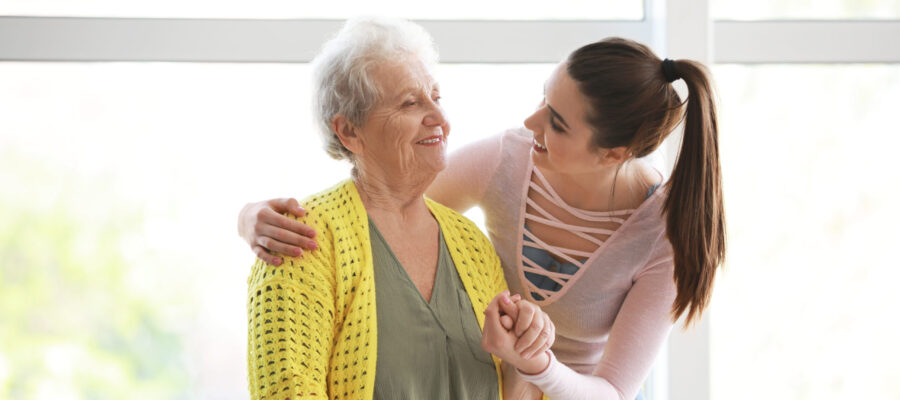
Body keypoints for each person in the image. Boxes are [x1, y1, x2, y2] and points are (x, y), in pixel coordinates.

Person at [241, 28, 726, 400]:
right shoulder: (509, 160)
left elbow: (613, 391)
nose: (530, 123)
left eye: (556, 123)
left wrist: (536, 364)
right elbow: (386, 190)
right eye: (543, 98)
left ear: (614, 154)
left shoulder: (665, 234)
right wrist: (250, 217)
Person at [245, 17, 557, 400]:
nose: (439, 118)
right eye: (410, 103)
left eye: (436, 98)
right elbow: (286, 391)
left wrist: (525, 359)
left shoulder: (472, 244)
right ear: (350, 132)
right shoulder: (301, 240)